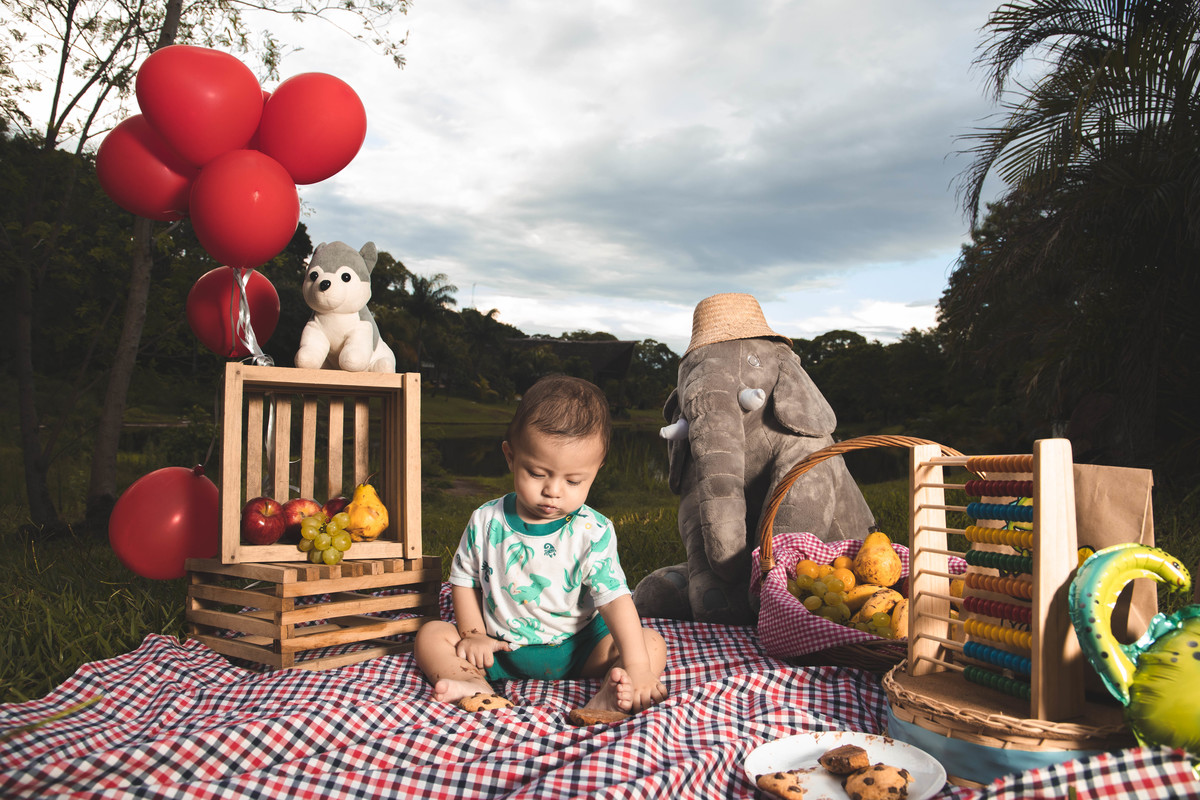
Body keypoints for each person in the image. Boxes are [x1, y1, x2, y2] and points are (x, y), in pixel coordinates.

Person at [414, 375, 668, 715]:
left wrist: (636, 665)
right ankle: (472, 683)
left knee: (650, 645)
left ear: (596, 470)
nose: (553, 491)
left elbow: (614, 599)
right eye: (537, 473)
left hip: (580, 649)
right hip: (499, 649)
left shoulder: (592, 531)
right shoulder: (486, 521)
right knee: (431, 635)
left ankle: (611, 693)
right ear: (510, 456)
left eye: (574, 481)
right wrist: (473, 633)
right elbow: (464, 580)